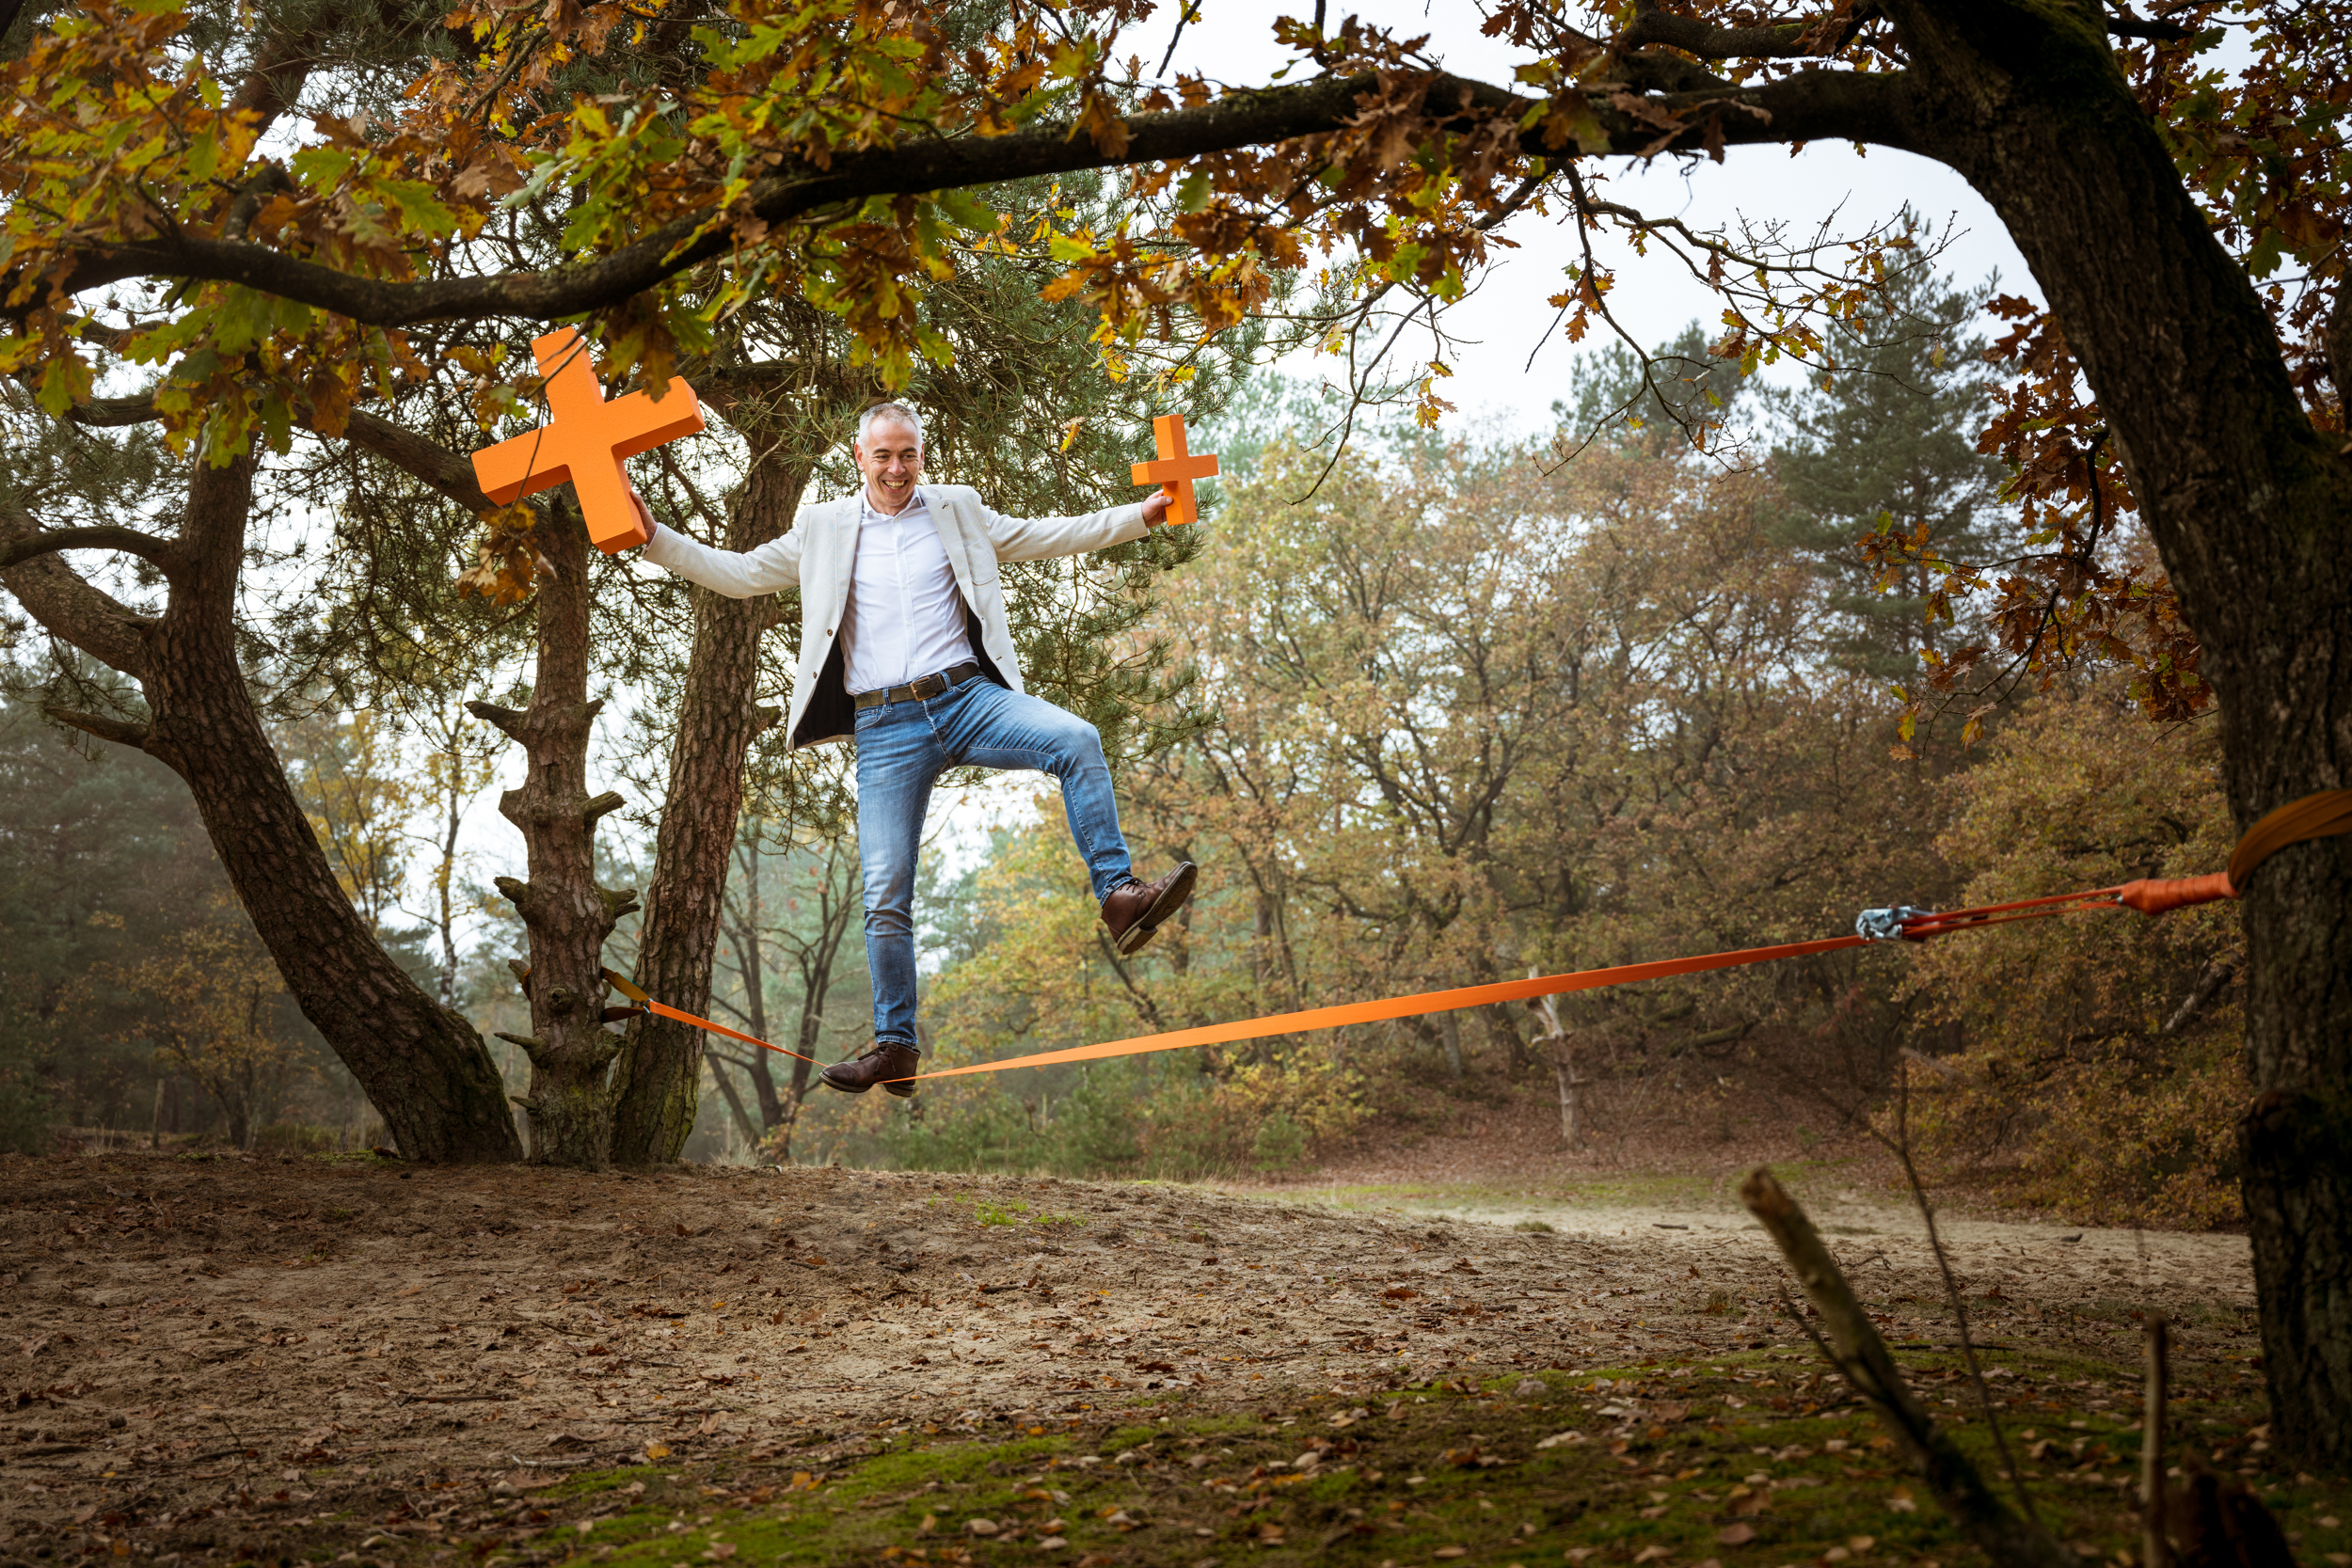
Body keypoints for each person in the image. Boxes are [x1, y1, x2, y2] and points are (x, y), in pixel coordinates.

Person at [626, 402, 1198, 1098]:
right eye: (883, 456)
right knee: (885, 889)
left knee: (1077, 739)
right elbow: (741, 572)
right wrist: (654, 536)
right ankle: (895, 1045)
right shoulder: (823, 528)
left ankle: (1118, 894)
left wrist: (1140, 516)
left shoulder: (957, 509)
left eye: (908, 455)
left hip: (968, 699)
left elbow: (1049, 534)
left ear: (922, 455)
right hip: (886, 727)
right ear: (859, 457)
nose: (896, 469)